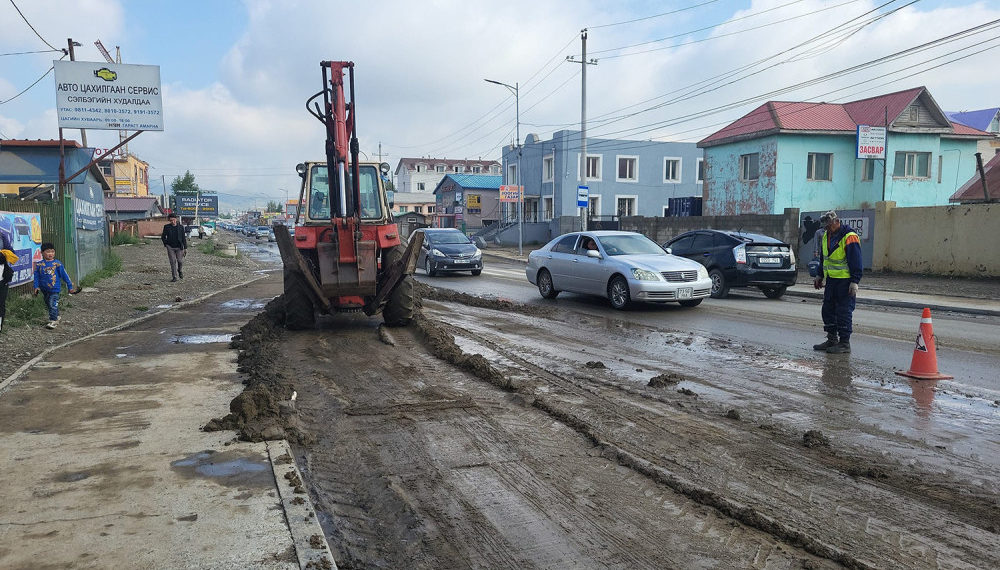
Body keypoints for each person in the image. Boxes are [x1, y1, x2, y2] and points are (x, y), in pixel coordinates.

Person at [812, 211, 862, 354]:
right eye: (825, 227)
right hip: (832, 281)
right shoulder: (826, 236)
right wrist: (819, 275)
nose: (827, 229)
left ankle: (844, 343)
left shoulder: (849, 237)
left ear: (837, 221)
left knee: (843, 312)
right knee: (828, 310)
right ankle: (832, 339)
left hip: (845, 282)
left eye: (829, 226)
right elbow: (824, 259)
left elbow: (856, 260)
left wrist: (855, 281)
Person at [33, 242, 78, 329]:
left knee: (52, 303)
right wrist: (36, 287)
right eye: (48, 252)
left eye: (52, 252)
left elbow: (64, 275)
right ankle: (56, 316)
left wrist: (70, 287)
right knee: (48, 304)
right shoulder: (39, 265)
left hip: (55, 289)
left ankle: (53, 320)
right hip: (44, 290)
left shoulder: (57, 264)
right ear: (42, 252)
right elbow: (36, 277)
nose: (50, 254)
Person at [161, 213, 188, 282]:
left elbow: (183, 238)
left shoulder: (181, 227)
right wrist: (166, 244)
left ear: (176, 219)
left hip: (179, 247)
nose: (172, 222)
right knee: (172, 261)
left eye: (173, 220)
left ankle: (180, 270)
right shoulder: (166, 227)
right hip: (170, 247)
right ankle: (174, 277)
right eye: (170, 220)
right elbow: (163, 237)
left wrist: (185, 248)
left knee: (180, 261)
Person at [0, 222, 17, 334]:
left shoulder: (2, 236)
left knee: (0, 305)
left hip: (1, 279)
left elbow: (12, 253)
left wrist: (3, 256)